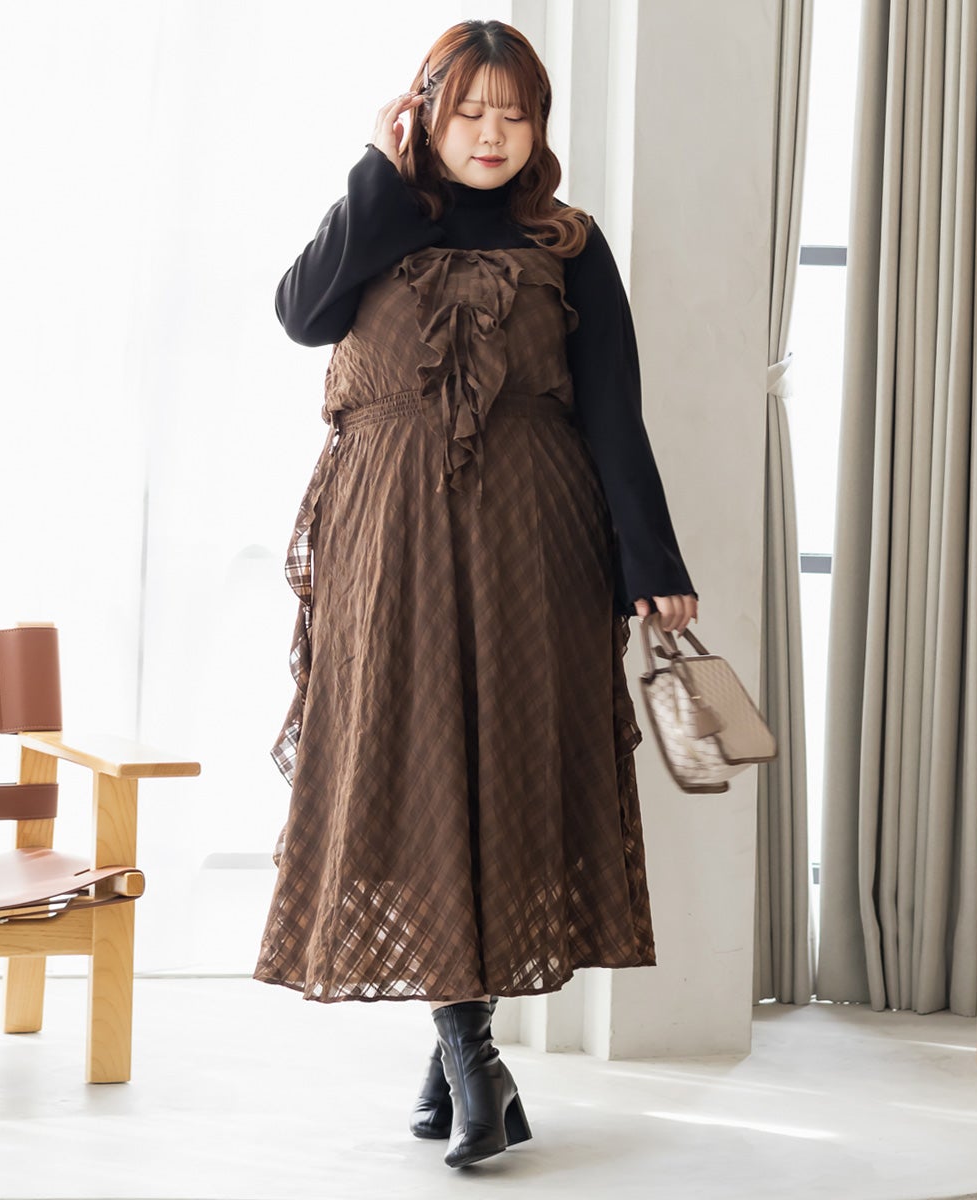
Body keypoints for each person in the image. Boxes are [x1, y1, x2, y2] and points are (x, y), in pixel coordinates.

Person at [254, 18, 699, 1170]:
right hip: (386, 542)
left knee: (502, 781)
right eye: (469, 112)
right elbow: (300, 314)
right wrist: (376, 168)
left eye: (516, 113)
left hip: (531, 541)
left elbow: (613, 410)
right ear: (426, 115)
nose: (493, 134)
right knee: (408, 778)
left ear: (538, 125)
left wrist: (652, 563)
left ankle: (464, 1058)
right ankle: (471, 1059)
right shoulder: (379, 221)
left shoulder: (567, 242)